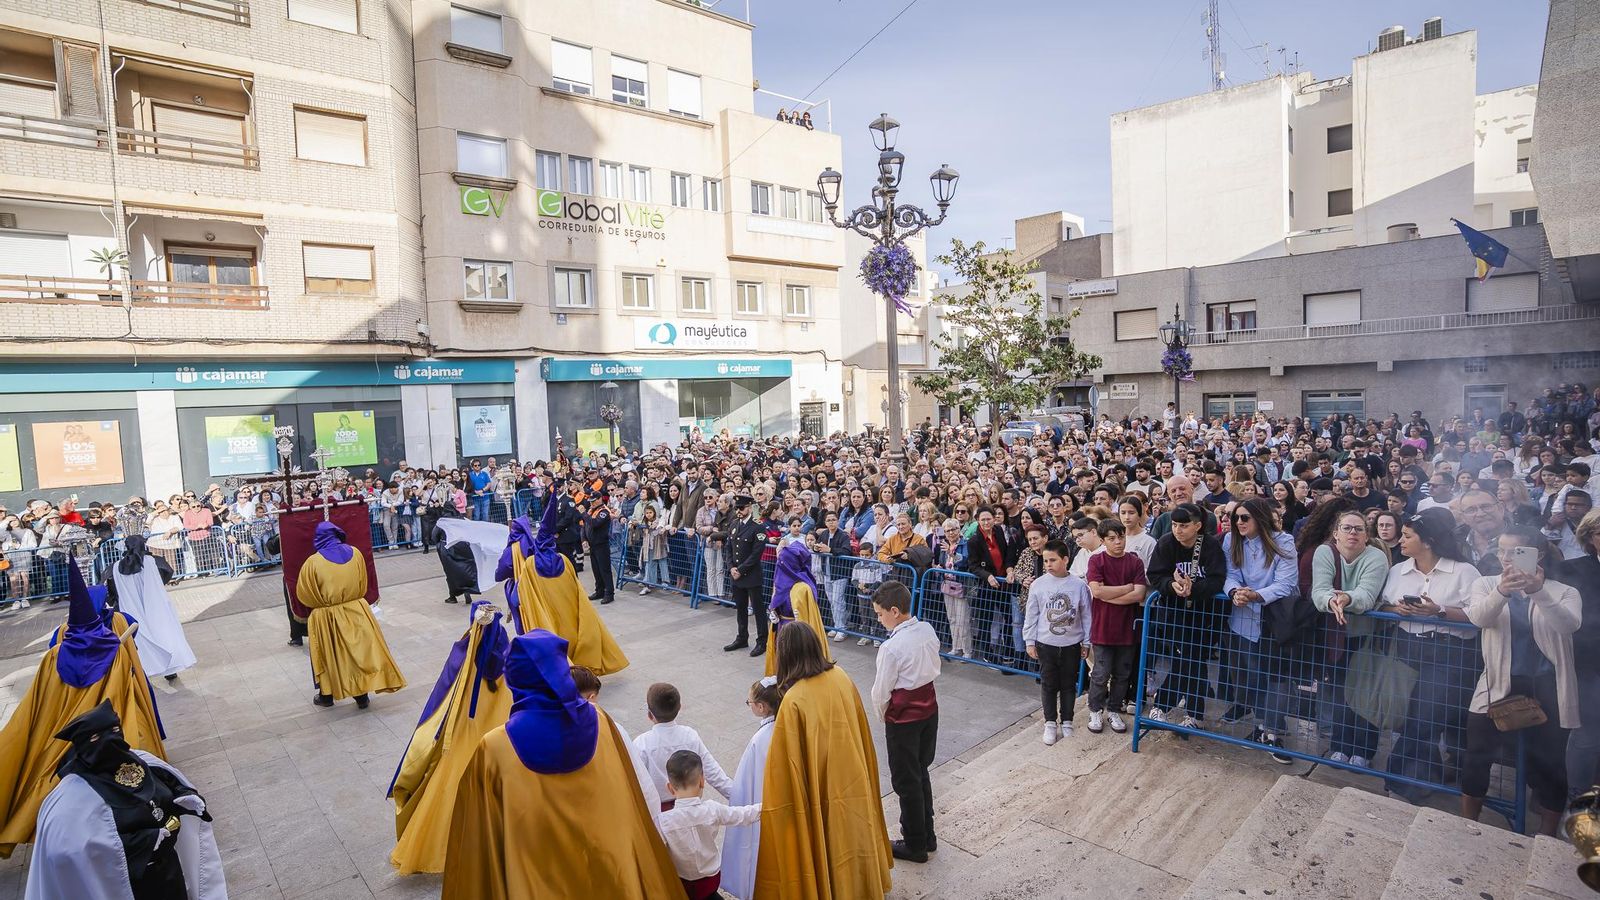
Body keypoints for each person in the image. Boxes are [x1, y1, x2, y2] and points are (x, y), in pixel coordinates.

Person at [441, 629, 680, 899]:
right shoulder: (600, 720)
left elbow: (479, 837)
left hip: (537, 875)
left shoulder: (494, 746)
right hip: (606, 864)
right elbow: (632, 790)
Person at [0, 565, 165, 857]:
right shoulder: (113, 648)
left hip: (63, 729)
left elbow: (38, 701)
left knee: (41, 774)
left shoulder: (55, 652)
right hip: (102, 727)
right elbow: (124, 692)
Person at [24, 701, 224, 900]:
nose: (111, 740)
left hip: (169, 870)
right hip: (130, 884)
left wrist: (186, 797)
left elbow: (169, 783)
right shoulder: (72, 798)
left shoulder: (143, 760)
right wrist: (145, 841)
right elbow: (71, 853)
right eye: (96, 737)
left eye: (115, 729)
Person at [756, 622, 892, 899]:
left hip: (821, 791)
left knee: (828, 843)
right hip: (853, 780)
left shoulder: (794, 699)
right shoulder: (841, 676)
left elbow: (785, 769)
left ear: (786, 654)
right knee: (854, 838)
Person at [1460, 526, 1582, 835]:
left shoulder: (1563, 590)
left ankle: (1547, 834)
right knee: (1477, 754)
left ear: (1536, 554)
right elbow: (1479, 618)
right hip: (1497, 682)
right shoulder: (1486, 583)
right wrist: (1502, 592)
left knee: (1551, 764)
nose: (1505, 558)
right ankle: (1465, 824)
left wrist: (1537, 591)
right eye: (1501, 551)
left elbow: (1568, 626)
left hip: (1548, 686)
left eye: (1515, 552)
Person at [389, 601, 512, 874]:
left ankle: (440, 846)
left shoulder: (464, 656)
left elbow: (441, 701)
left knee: (448, 789)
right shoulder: (511, 662)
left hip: (464, 737)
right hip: (499, 738)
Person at [1380, 507, 1481, 801]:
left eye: (1408, 536)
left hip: (1449, 652)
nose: (1401, 540)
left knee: (1425, 716)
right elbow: (1383, 604)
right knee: (1411, 713)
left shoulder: (1464, 572)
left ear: (1428, 541)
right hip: (1408, 647)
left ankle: (1405, 782)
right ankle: (1412, 780)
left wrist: (1439, 611)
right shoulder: (1398, 570)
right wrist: (1395, 609)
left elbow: (1479, 615)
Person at [496, 497, 629, 674]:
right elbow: (577, 589)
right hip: (567, 611)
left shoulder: (530, 563)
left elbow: (522, 588)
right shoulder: (564, 560)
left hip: (545, 610)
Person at [1310, 509, 1392, 768]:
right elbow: (1319, 591)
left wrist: (1345, 598)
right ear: (1336, 534)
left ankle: (1364, 750)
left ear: (1367, 536)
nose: (1352, 533)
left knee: (1365, 694)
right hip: (1335, 636)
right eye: (1346, 528)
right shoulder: (1324, 553)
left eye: (1358, 529)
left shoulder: (1376, 557)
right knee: (1338, 693)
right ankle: (1340, 745)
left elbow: (1367, 595)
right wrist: (1331, 600)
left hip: (1366, 636)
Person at [1221, 496, 1299, 763]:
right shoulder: (1231, 541)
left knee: (1276, 678)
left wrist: (1256, 595)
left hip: (1273, 619)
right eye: (1236, 518)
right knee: (1252, 676)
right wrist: (1234, 591)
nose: (1239, 522)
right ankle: (1262, 725)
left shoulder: (1283, 541)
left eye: (1245, 518)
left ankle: (1274, 732)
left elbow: (1286, 582)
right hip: (1242, 618)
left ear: (1260, 518)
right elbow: (1229, 573)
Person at [297, 521, 407, 709]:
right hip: (357, 609)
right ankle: (361, 696)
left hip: (328, 615)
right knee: (358, 653)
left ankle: (327, 695)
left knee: (330, 655)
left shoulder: (313, 562)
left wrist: (323, 604)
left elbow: (305, 593)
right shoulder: (355, 553)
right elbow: (364, 580)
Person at [870, 581, 941, 863]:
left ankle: (914, 843)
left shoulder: (891, 647)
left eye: (879, 613)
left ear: (895, 611)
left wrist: (883, 715)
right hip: (930, 711)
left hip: (904, 719)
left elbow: (881, 691)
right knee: (921, 771)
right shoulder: (927, 629)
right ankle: (928, 834)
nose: (878, 619)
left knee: (905, 780)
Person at [1145, 503, 1227, 728]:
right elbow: (1155, 575)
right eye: (1174, 525)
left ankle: (1165, 706)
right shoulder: (1166, 543)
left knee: (1191, 660)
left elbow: (1218, 579)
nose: (1178, 530)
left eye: (1184, 525)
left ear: (1198, 526)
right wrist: (1173, 585)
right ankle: (1194, 714)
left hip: (1204, 616)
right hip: (1175, 614)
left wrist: (1195, 588)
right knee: (1188, 660)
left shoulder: (1210, 546)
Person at [659, 750, 762, 900]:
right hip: (710, 882)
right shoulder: (712, 810)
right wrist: (764, 806)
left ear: (669, 787)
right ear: (702, 781)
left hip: (682, 884)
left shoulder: (663, 822)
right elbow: (742, 815)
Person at [1023, 539, 1092, 744]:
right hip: (1046, 643)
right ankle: (1050, 722)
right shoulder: (1038, 584)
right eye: (1045, 561)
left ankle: (1068, 721)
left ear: (1065, 559)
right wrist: (1029, 640)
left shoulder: (1079, 585)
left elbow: (1086, 615)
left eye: (1053, 560)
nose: (1049, 564)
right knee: (1049, 684)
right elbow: (1032, 614)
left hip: (1071, 644)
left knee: (1068, 684)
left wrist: (1086, 642)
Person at [722, 677, 781, 900]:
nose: (749, 706)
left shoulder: (761, 739)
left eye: (749, 703)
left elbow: (748, 781)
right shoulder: (785, 726)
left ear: (761, 707)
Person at [1085, 519, 1146, 735]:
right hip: (1103, 627)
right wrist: (1126, 588)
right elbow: (1097, 591)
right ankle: (1095, 709)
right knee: (1100, 673)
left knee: (1122, 674)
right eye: (1112, 538)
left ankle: (1113, 709)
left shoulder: (1135, 562)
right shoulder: (1096, 560)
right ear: (1103, 541)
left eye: (1121, 537)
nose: (1118, 542)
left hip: (1128, 628)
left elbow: (1139, 594)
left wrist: (1110, 594)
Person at [107, 534, 196, 681]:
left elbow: (111, 587)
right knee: (161, 631)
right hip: (155, 605)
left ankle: (147, 667)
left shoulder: (116, 567)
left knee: (140, 635)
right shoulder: (154, 562)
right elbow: (166, 574)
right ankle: (168, 668)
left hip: (132, 607)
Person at [634, 682, 735, 810]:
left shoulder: (641, 743)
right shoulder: (689, 736)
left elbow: (635, 782)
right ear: (680, 707)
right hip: (690, 808)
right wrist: (738, 797)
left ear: (649, 715)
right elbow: (713, 772)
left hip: (658, 811)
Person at [765, 542, 829, 676]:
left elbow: (809, 617)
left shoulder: (803, 588)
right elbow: (776, 600)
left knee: (796, 662)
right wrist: (774, 611)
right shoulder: (780, 581)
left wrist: (798, 617)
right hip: (781, 627)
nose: (780, 564)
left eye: (784, 561)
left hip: (797, 633)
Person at [723, 496, 769, 657]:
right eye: (737, 508)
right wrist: (731, 568)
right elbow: (729, 548)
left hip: (751, 574)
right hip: (736, 574)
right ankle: (742, 637)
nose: (738, 511)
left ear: (749, 507)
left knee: (758, 609)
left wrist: (740, 569)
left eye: (741, 508)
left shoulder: (758, 527)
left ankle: (762, 641)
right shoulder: (734, 524)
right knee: (740, 608)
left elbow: (757, 553)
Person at [581, 493, 616, 604]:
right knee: (596, 570)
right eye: (590, 501)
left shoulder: (604, 512)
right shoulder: (591, 511)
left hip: (601, 545)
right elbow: (584, 526)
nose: (592, 503)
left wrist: (583, 513)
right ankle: (599, 590)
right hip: (592, 545)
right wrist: (584, 539)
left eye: (594, 500)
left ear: (600, 499)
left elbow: (594, 523)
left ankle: (609, 593)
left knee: (604, 570)